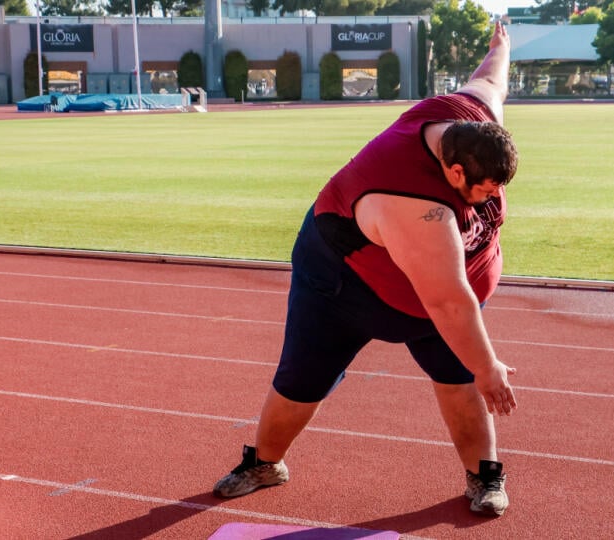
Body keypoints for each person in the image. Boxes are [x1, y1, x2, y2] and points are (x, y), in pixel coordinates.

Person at [213, 21, 519, 517]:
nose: (492, 198)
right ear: (455, 171)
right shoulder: (415, 201)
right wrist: (489, 368)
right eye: (484, 189)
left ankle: (485, 476)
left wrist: (500, 47)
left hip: (439, 293)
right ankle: (265, 463)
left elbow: (491, 79)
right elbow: (446, 299)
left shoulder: (471, 119)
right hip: (344, 285)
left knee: (459, 381)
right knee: (300, 382)